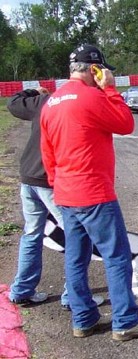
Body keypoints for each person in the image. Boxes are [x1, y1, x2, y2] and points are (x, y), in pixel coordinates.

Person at [40, 44, 138, 341]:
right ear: (93, 69)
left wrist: (60, 184)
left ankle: (83, 320)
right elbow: (126, 123)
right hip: (94, 193)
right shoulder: (92, 96)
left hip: (66, 194)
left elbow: (48, 155)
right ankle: (125, 322)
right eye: (101, 71)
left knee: (76, 258)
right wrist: (110, 89)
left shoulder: (52, 102)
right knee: (117, 257)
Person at [7, 88, 104, 310]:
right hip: (52, 180)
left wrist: (34, 91)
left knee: (32, 233)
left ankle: (21, 290)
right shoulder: (79, 105)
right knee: (78, 237)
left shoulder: (44, 101)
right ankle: (73, 296)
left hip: (29, 176)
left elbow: (13, 103)